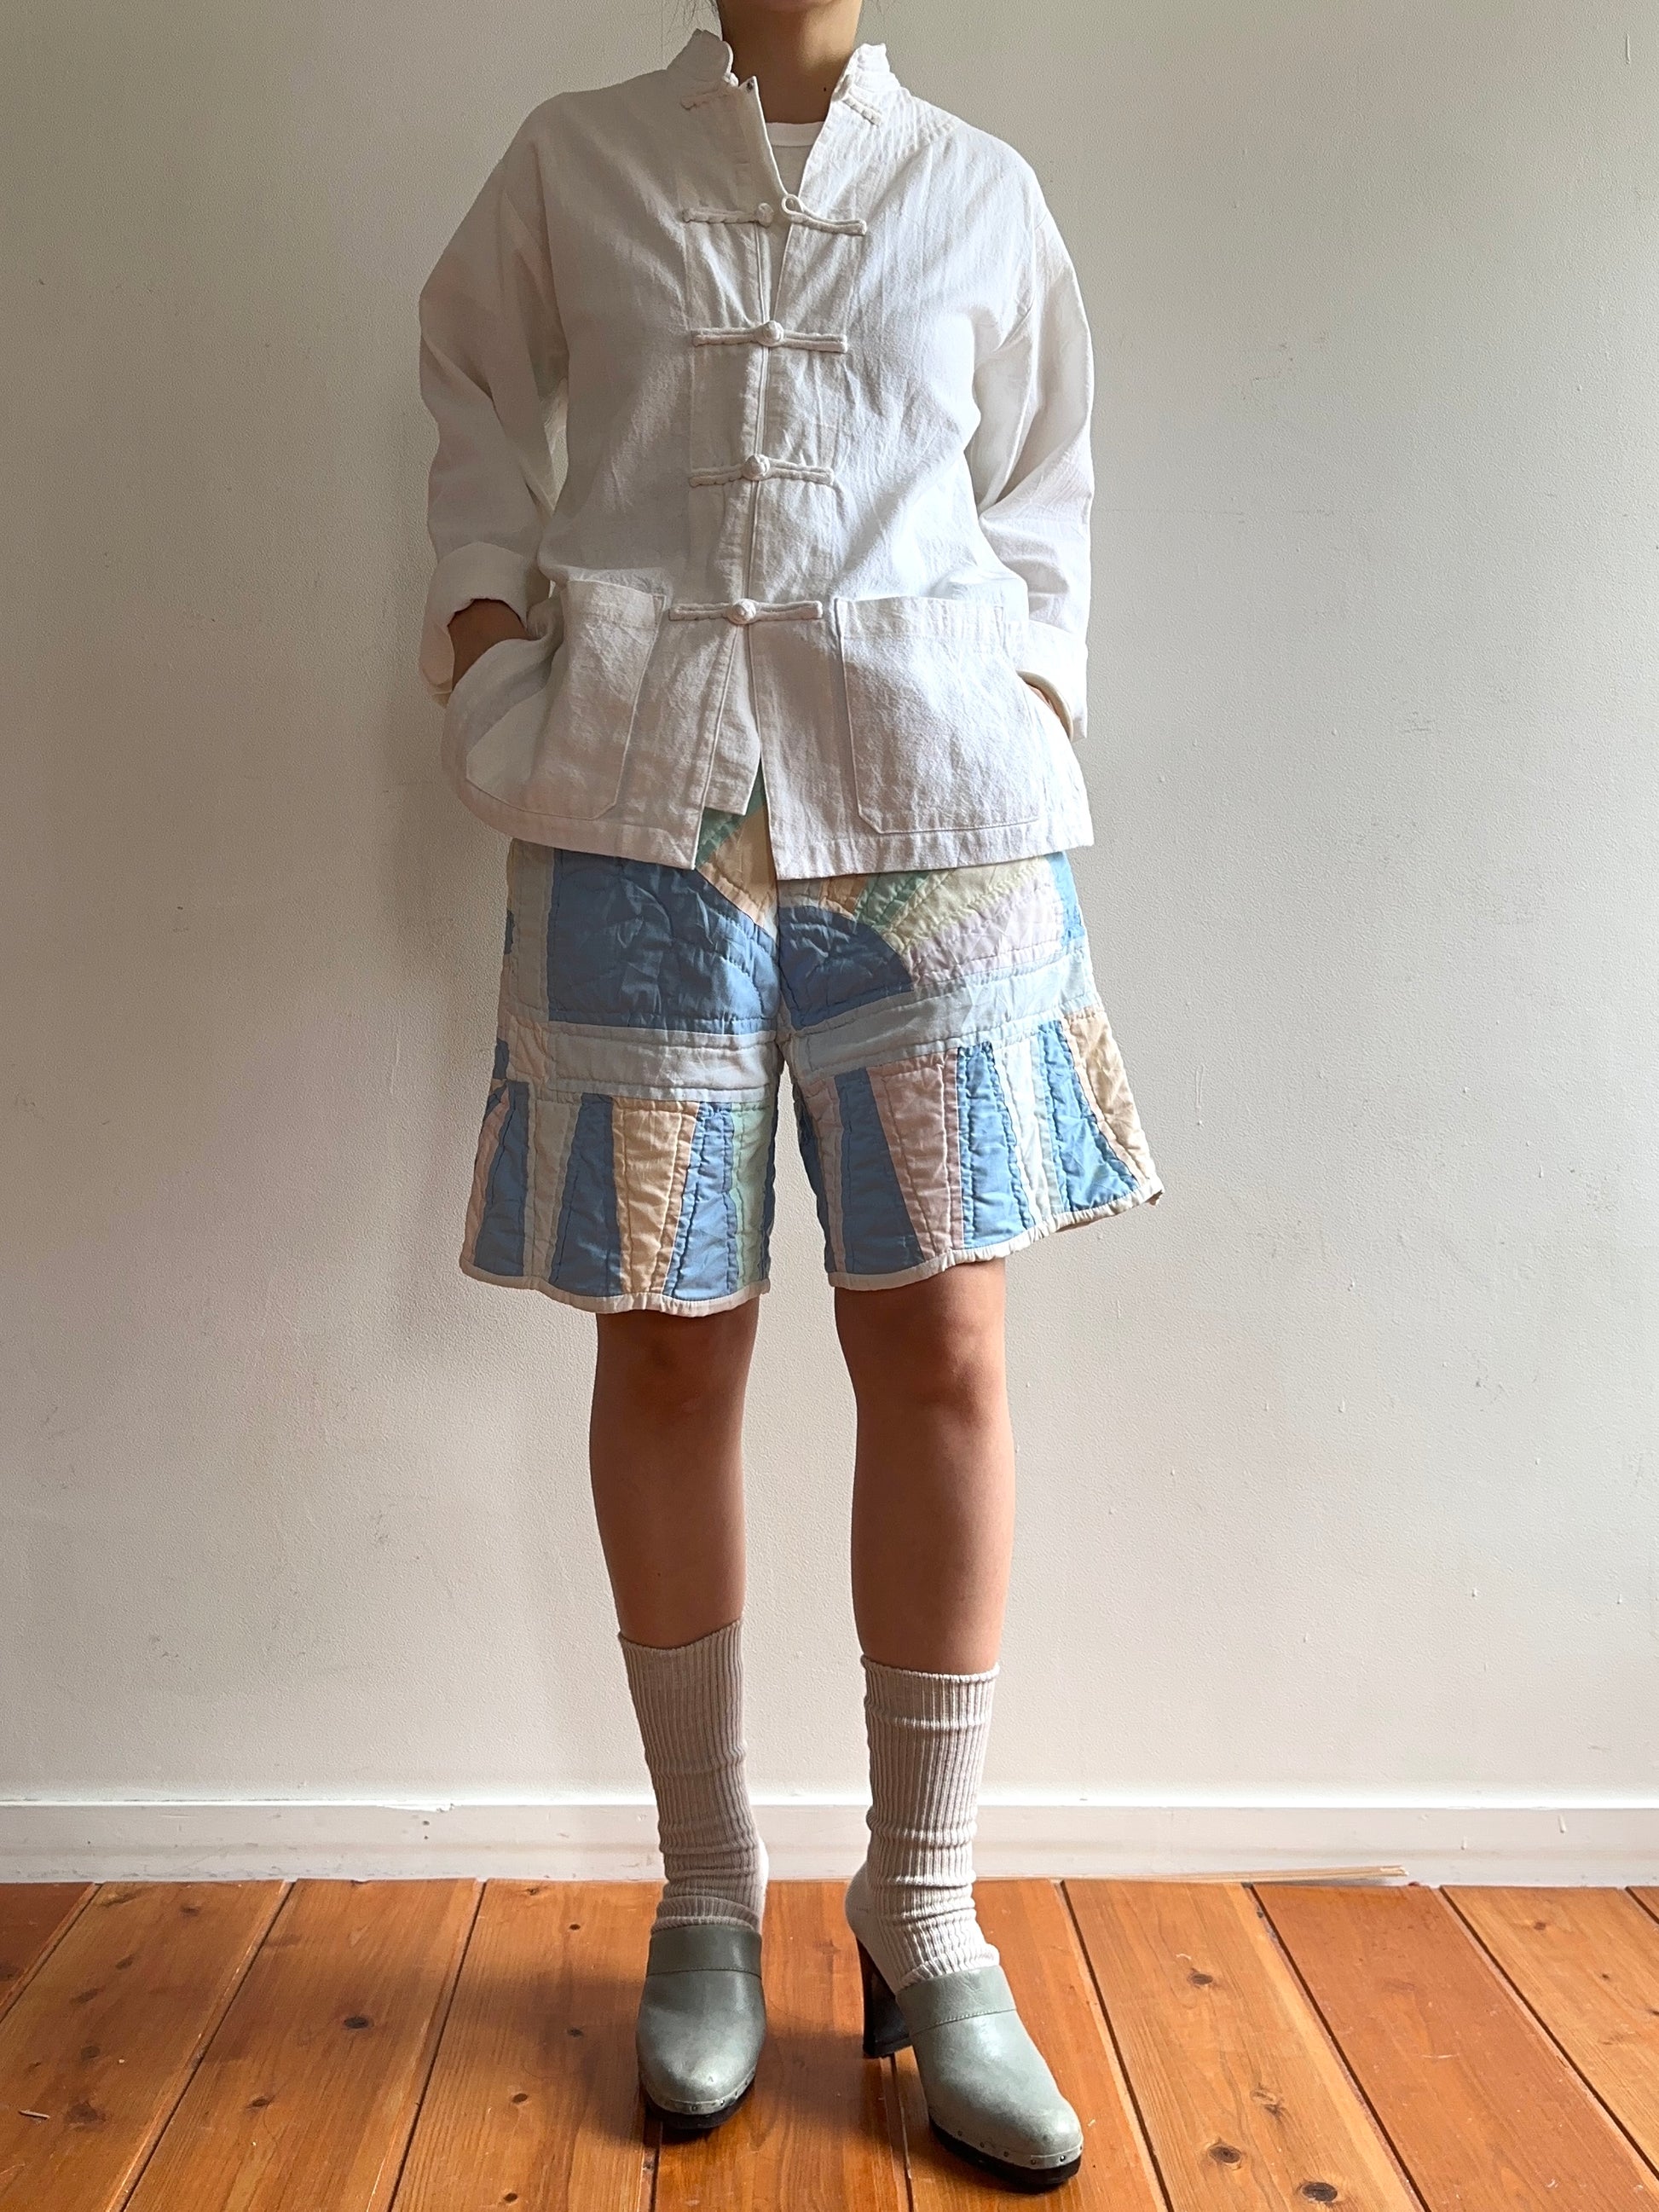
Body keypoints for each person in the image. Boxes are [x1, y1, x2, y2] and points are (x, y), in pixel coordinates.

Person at [416, 0, 1160, 2187]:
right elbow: (469, 393)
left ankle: (923, 1910)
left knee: (942, 1338)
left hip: (935, 804)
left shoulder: (979, 190)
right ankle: (707, 1892)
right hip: (636, 797)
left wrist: (1031, 686)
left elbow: (1049, 484)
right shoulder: (574, 161)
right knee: (665, 1339)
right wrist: (487, 637)